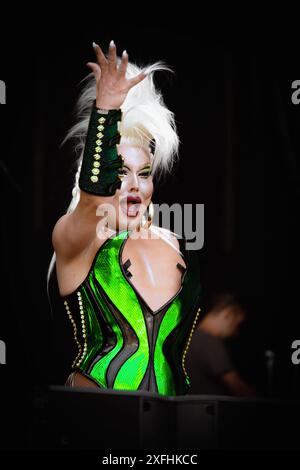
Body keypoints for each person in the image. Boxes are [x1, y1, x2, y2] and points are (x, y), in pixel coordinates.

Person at [47, 40, 202, 396]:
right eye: (120, 174)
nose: (133, 186)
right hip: (93, 418)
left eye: (144, 173)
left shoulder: (169, 242)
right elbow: (93, 198)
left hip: (169, 422)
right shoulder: (78, 239)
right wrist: (106, 112)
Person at [185, 290, 255, 396]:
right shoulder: (209, 342)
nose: (235, 333)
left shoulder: (188, 339)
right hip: (208, 410)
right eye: (237, 325)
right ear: (228, 314)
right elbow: (238, 388)